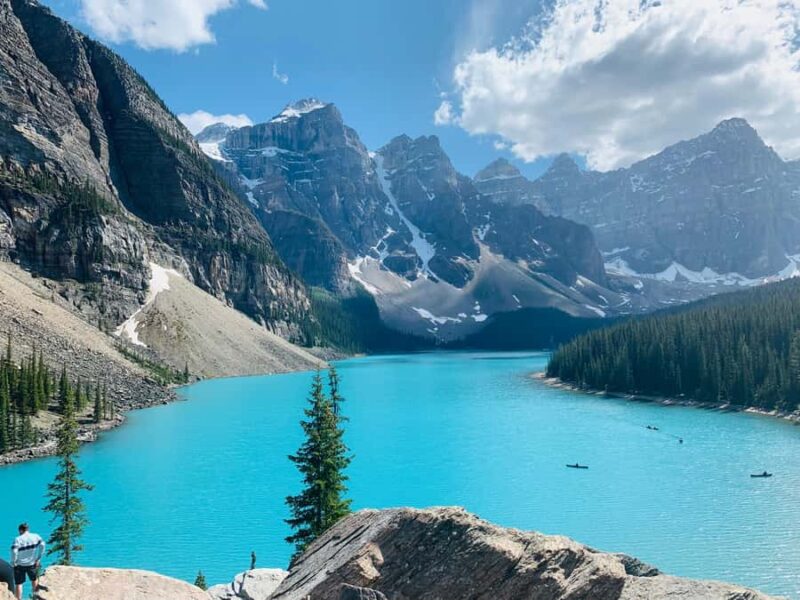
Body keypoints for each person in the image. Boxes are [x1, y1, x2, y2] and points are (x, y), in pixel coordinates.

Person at [11, 523, 44, 600]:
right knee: (34, 580)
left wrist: (13, 561)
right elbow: (42, 545)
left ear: (20, 530)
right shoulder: (35, 536)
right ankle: (35, 597)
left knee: (19, 584)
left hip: (19, 564)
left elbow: (14, 551)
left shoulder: (18, 539)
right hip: (32, 563)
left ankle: (18, 599)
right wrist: (38, 558)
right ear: (28, 529)